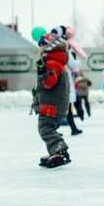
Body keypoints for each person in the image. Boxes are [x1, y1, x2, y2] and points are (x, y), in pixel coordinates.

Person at [35, 28, 71, 168]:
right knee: (48, 128)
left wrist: (42, 72)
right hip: (54, 104)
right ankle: (55, 151)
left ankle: (59, 150)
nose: (40, 49)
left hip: (51, 106)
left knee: (45, 128)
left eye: (42, 46)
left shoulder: (51, 64)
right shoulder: (57, 63)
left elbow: (48, 83)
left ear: (48, 48)